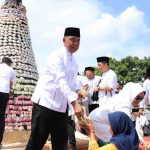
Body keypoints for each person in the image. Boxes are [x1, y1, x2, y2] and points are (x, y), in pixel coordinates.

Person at [25, 27, 84, 150]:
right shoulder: (56, 56)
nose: (75, 44)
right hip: (45, 105)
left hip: (61, 109)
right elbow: (60, 80)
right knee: (36, 142)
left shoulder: (74, 63)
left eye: (78, 41)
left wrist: (78, 90)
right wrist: (74, 102)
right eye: (72, 40)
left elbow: (71, 83)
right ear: (64, 40)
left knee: (61, 144)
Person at [0, 57, 16, 146]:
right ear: (9, 63)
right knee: (1, 115)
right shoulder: (12, 70)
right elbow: (10, 84)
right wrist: (10, 92)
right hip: (4, 93)